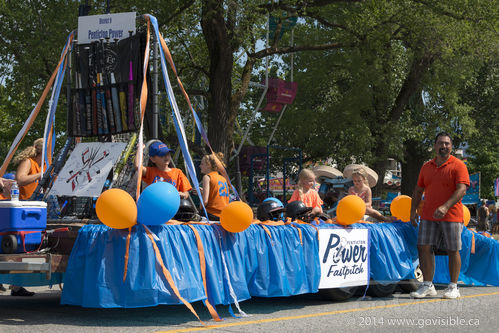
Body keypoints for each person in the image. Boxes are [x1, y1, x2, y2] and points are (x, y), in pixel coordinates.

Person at [409, 132, 470, 299]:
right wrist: (413, 211)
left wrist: (445, 206)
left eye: (447, 144)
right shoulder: (426, 166)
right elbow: (418, 190)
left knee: (452, 249)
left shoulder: (458, 165)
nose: (444, 146)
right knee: (424, 247)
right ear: (435, 146)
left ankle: (453, 286)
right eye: (441, 143)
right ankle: (427, 285)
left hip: (451, 215)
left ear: (451, 147)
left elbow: (462, 189)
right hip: (428, 214)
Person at [199, 152, 230, 221]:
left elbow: (205, 201)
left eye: (202, 164)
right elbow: (218, 195)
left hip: (212, 214)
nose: (200, 166)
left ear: (208, 165)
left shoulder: (207, 177)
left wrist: (199, 209)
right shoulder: (223, 179)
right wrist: (203, 192)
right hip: (223, 215)